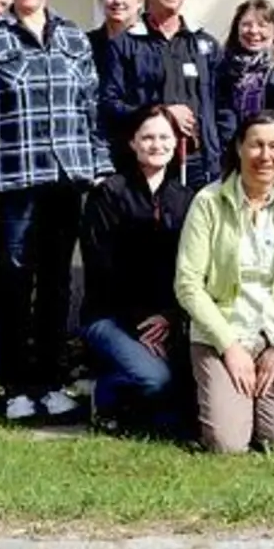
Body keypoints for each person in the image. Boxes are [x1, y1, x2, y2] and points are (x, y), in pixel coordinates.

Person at [0, 0, 112, 422]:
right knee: (13, 282)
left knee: (57, 285)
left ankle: (51, 383)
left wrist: (101, 167)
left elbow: (91, 109)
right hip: (13, 179)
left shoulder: (73, 38)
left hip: (67, 179)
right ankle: (19, 386)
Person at [174, 111, 274, 453]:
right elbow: (188, 284)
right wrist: (229, 346)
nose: (265, 156)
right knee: (228, 445)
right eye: (256, 145)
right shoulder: (208, 203)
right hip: (223, 333)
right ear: (240, 148)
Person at [78, 105, 194, 435]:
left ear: (176, 142)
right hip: (111, 316)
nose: (157, 145)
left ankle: (143, 412)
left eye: (164, 137)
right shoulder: (108, 195)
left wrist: (170, 317)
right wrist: (141, 323)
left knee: (181, 388)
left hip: (166, 320)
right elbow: (102, 268)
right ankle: (105, 393)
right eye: (147, 138)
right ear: (132, 143)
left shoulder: (187, 199)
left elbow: (190, 268)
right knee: (155, 378)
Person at [102, 0, 228, 190]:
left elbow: (224, 108)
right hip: (145, 168)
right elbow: (109, 104)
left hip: (200, 168)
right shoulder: (124, 45)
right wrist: (162, 114)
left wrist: (219, 150)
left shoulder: (205, 45)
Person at [215, 0, 274, 147]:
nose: (253, 31)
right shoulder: (221, 68)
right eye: (246, 24)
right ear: (236, 28)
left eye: (262, 25)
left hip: (272, 151)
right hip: (229, 152)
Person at [87, 0, 143, 91]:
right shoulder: (86, 45)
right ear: (101, 0)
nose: (118, 1)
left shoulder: (152, 44)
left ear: (139, 1)